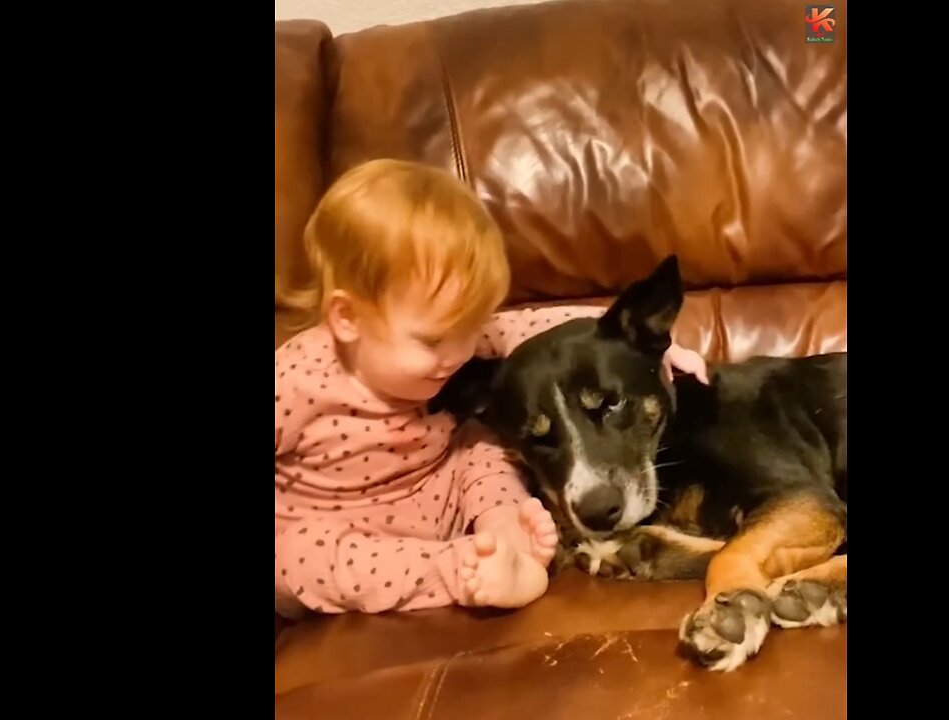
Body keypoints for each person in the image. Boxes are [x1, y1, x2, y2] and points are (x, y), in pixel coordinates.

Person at [274, 159, 707, 617]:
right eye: (435, 339)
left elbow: (543, 327)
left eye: (471, 326)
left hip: (445, 490)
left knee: (486, 453)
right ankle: (465, 572)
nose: (460, 352)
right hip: (336, 528)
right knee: (292, 555)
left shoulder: (455, 340)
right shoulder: (298, 376)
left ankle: (511, 548)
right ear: (347, 319)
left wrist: (657, 346)